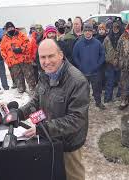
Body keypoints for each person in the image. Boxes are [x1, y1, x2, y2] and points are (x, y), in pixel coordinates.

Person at [18, 39, 89, 180]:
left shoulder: (77, 81)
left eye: (51, 56)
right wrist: (20, 113)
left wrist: (44, 129)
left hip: (69, 143)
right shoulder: (45, 75)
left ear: (60, 55)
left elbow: (77, 119)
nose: (47, 61)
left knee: (73, 176)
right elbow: (37, 100)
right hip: (49, 138)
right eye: (43, 57)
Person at [73, 23, 106, 110]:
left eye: (89, 31)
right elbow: (75, 56)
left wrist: (98, 65)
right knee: (84, 90)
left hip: (95, 71)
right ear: (83, 32)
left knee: (97, 89)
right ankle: (84, 104)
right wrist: (80, 66)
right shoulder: (78, 43)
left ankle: (98, 103)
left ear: (92, 32)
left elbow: (102, 55)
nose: (88, 33)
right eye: (86, 31)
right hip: (83, 71)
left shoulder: (97, 43)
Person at [0, 22, 36, 94]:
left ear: (14, 27)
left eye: (12, 27)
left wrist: (21, 49)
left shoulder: (21, 35)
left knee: (29, 75)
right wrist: (8, 60)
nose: (11, 29)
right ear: (6, 30)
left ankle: (32, 88)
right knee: (18, 76)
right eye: (9, 28)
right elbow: (2, 50)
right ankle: (21, 89)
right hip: (13, 62)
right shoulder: (4, 39)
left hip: (24, 59)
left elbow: (28, 44)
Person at [103, 19, 123, 103]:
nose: (115, 28)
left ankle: (120, 96)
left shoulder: (123, 38)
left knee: (121, 81)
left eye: (117, 26)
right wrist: (108, 59)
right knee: (109, 81)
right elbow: (103, 50)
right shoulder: (107, 38)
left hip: (120, 63)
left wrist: (119, 60)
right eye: (114, 26)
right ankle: (108, 97)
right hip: (109, 63)